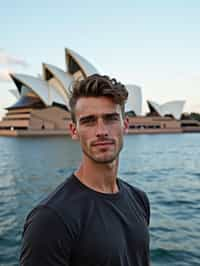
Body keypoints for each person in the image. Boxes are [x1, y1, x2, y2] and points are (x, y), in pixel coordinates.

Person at [20, 74, 150, 266]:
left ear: (125, 125)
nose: (101, 131)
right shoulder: (50, 219)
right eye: (89, 121)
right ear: (74, 131)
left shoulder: (139, 199)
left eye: (111, 118)